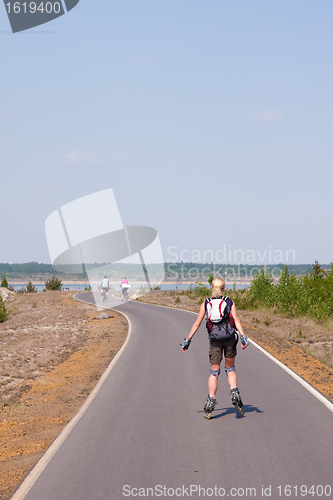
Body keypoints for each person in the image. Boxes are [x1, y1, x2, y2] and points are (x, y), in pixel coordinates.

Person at [181, 277, 249, 417]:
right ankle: (234, 392)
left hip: (214, 340)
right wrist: (242, 336)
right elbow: (235, 319)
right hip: (229, 338)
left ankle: (211, 401)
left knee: (214, 371)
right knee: (230, 368)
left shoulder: (206, 303)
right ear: (224, 289)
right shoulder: (229, 301)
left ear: (212, 288)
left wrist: (188, 340)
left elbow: (197, 323)